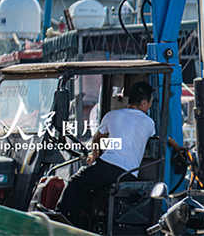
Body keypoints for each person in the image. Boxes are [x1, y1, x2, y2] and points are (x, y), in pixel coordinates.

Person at [57, 81, 156, 230]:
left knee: (75, 182)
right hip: (129, 174)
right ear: (143, 102)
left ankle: (62, 222)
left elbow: (97, 138)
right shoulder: (150, 123)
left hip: (108, 167)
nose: (149, 106)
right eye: (150, 103)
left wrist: (94, 155)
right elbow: (160, 138)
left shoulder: (112, 115)